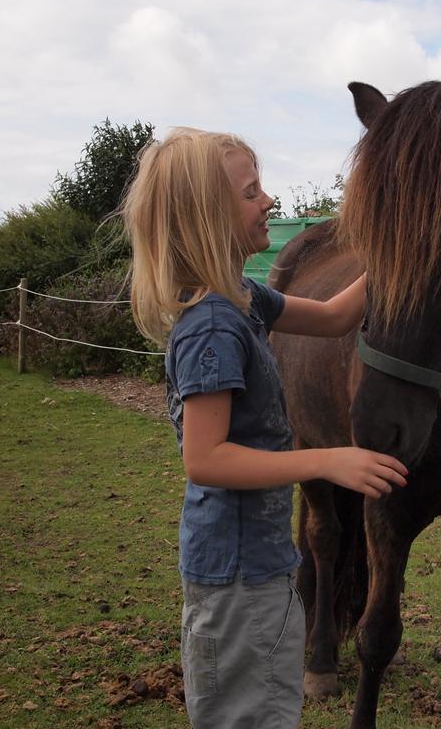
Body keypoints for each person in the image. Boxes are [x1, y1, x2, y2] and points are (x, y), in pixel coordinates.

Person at [121, 127, 408, 728]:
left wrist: (400, 246)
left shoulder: (244, 298)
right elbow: (207, 459)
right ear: (207, 214)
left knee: (269, 709)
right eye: (251, 192)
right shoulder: (213, 325)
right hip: (236, 577)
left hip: (261, 563)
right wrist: (329, 461)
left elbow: (332, 318)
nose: (269, 201)